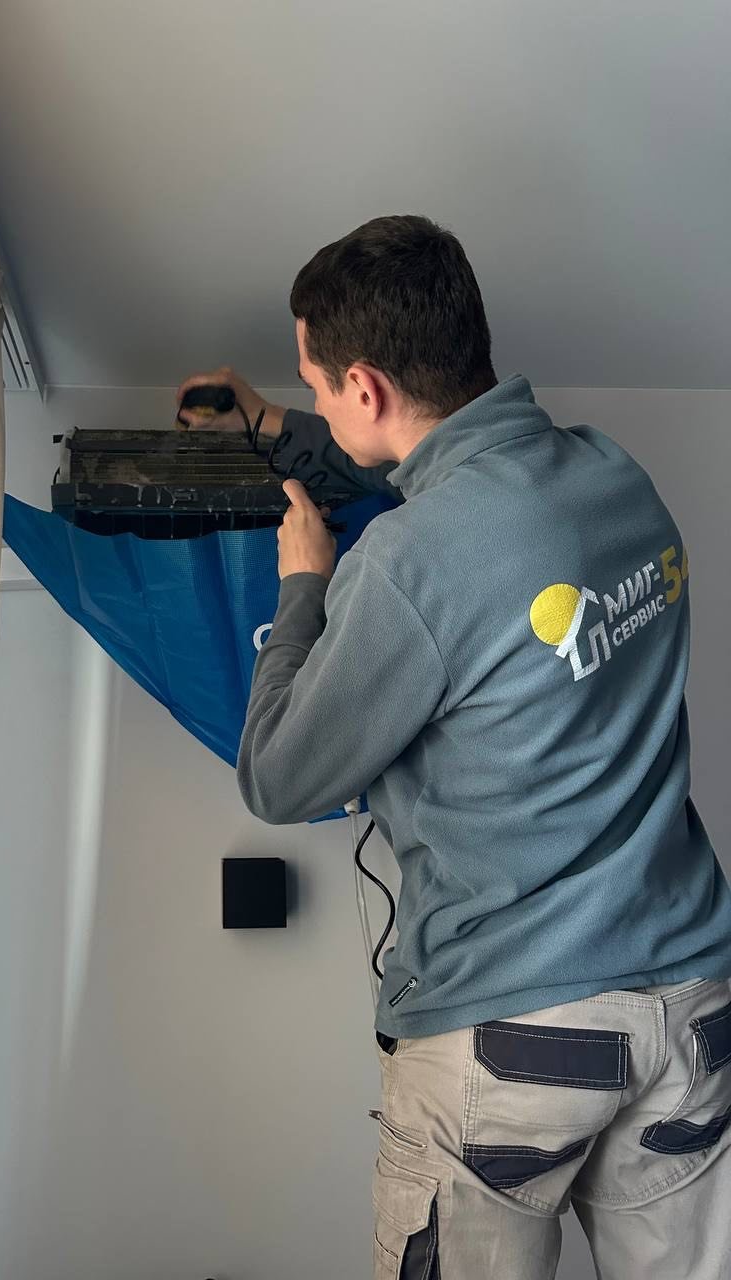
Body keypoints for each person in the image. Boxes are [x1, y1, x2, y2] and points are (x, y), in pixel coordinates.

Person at [176, 215, 731, 1278]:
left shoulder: (401, 563)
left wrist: (304, 587)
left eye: (320, 385)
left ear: (367, 386)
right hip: (690, 1011)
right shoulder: (614, 476)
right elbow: (465, 503)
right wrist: (274, 422)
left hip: (516, 1029)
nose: (317, 400)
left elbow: (279, 776)